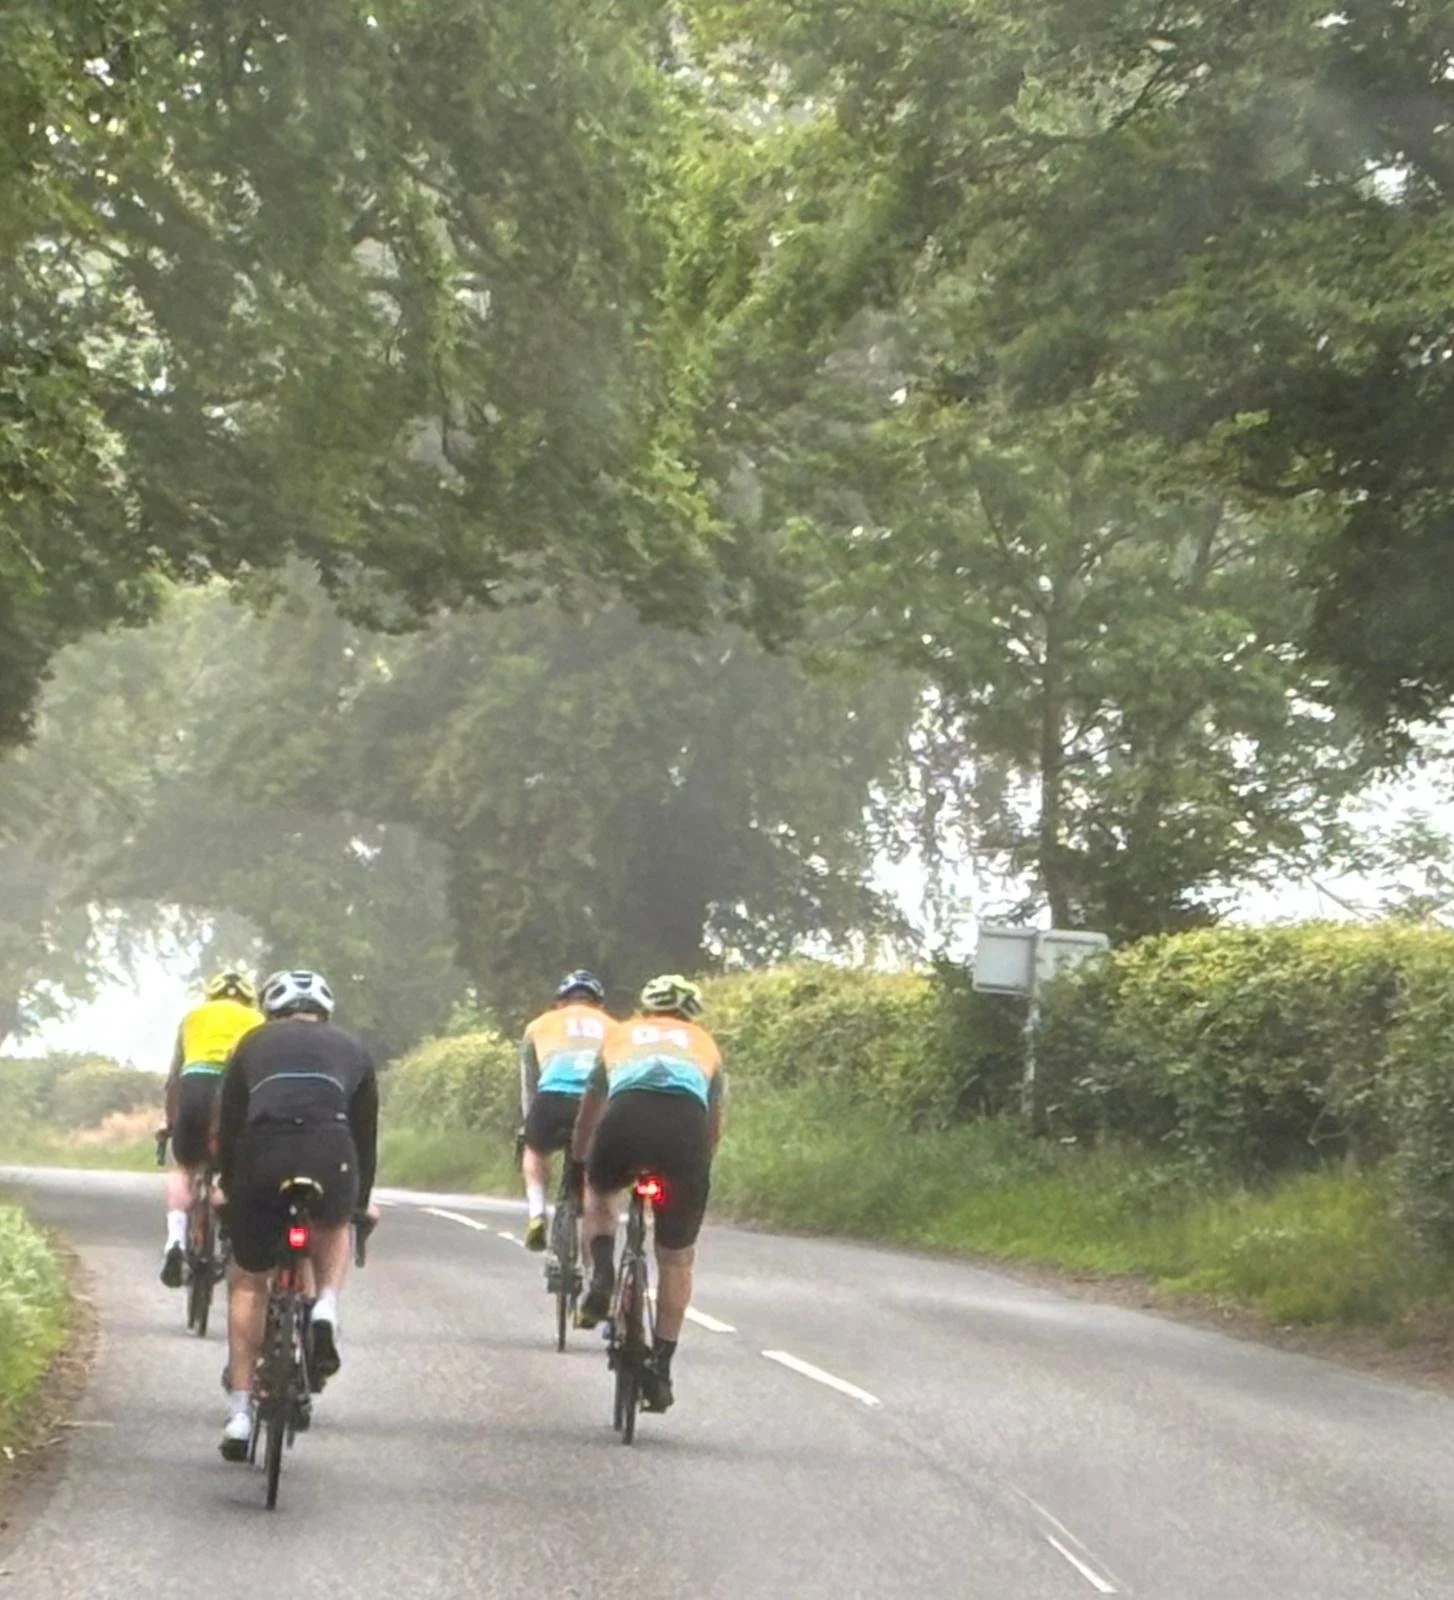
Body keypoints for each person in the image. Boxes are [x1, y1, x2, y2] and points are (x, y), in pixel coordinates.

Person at [214, 968, 379, 1462]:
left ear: (272, 1010)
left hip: (264, 1151)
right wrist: (360, 1199)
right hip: (332, 1149)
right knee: (335, 1222)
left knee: (248, 1282)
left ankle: (241, 1415)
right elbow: (366, 1137)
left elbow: (228, 1122)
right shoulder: (354, 1048)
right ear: (325, 1010)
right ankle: (325, 1305)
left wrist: (227, 1185)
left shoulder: (250, 1042)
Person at [570, 973, 725, 1414]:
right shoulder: (705, 1043)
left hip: (625, 1120)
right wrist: (697, 1168)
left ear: (646, 1009)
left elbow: (590, 1111)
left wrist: (582, 1164)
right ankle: (660, 1367)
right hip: (684, 1131)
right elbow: (713, 1122)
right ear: (690, 1013)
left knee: (600, 1196)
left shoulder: (619, 1036)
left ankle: (601, 1274)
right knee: (676, 1258)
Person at [157, 971, 263, 1287]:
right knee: (236, 1168)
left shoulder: (192, 1017)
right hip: (234, 1093)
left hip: (194, 1087)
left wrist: (169, 1121)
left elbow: (174, 1078)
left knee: (185, 1167)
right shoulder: (258, 1020)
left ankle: (175, 1239)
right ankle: (228, 1223)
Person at [518, 969, 612, 1253]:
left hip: (553, 1096)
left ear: (560, 1002)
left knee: (534, 1151)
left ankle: (537, 1213)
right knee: (596, 1176)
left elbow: (529, 1083)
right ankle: (594, 1262)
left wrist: (529, 1124)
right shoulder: (615, 1027)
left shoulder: (538, 1026)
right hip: (598, 1103)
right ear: (597, 1004)